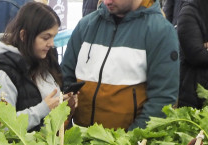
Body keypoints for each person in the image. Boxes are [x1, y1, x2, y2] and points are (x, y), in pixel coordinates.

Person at [60, 0, 180, 130]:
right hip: (79, 139)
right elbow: (65, 78)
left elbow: (162, 100)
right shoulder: (86, 25)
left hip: (125, 144)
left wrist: (129, 141)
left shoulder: (160, 31)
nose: (106, 1)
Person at [0, 2, 76, 131]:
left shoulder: (47, 56)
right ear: (24, 35)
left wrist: (67, 104)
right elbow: (3, 126)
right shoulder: (3, 72)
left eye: (53, 37)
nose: (51, 44)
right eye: (46, 37)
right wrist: (43, 109)